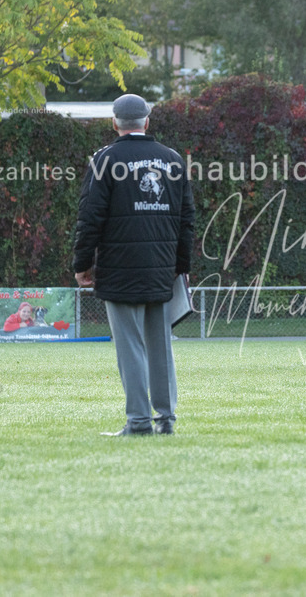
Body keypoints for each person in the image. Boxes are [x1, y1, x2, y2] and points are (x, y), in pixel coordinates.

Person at [73, 93, 195, 436]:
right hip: (161, 269)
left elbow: (89, 217)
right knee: (161, 346)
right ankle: (166, 420)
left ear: (114, 123)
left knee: (130, 347)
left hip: (118, 269)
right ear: (147, 121)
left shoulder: (104, 160)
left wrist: (82, 263)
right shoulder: (172, 160)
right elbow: (187, 220)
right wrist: (180, 267)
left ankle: (139, 422)